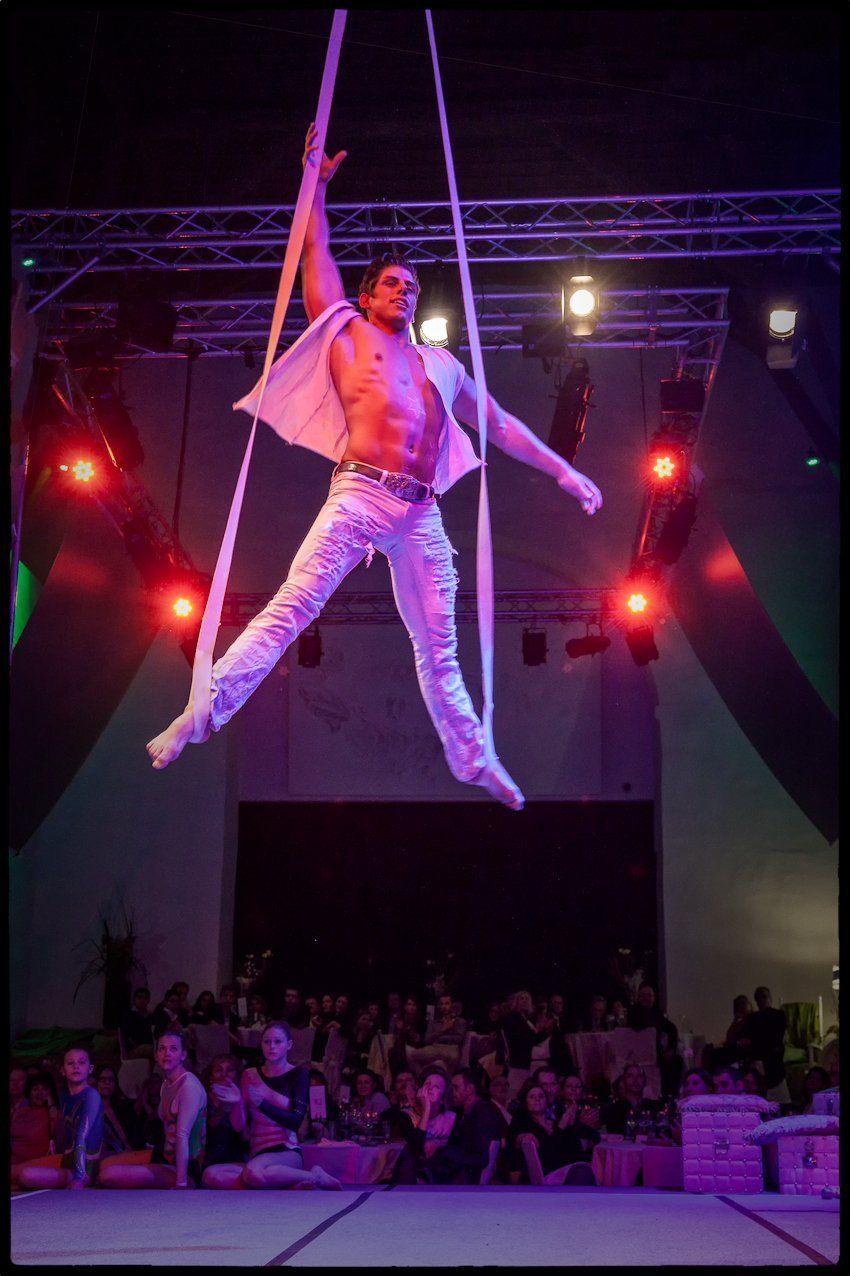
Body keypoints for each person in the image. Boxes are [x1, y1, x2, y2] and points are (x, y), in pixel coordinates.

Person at [146, 122, 603, 812]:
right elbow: (315, 251)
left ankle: (474, 759)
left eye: (411, 286)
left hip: (421, 512)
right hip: (359, 495)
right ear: (366, 296)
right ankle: (199, 714)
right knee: (292, 607)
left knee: (438, 648)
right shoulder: (346, 333)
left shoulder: (440, 365)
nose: (403, 291)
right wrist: (315, 185)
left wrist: (563, 472)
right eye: (391, 283)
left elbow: (500, 423)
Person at [201, 1020, 339, 1190]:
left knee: (252, 1172)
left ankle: (314, 1176)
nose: (271, 1046)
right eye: (267, 1042)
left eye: (277, 1042)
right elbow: (238, 1126)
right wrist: (236, 1103)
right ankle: (286, 1183)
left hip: (286, 1151)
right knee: (210, 1175)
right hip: (257, 1153)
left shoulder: (299, 1074)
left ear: (289, 1045)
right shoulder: (249, 1074)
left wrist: (262, 1103)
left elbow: (295, 1121)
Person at [99, 1027, 206, 1189]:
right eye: (162, 1049)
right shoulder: (166, 1084)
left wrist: (181, 1183)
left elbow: (182, 1135)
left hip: (185, 1166)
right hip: (162, 1155)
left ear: (183, 1055)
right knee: (105, 1164)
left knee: (108, 1175)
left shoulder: (188, 1087)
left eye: (173, 1049)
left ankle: (182, 1180)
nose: (167, 1053)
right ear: (156, 1055)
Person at [18, 1046, 104, 1191]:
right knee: (17, 1171)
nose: (76, 1066)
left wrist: (79, 1178)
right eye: (70, 1063)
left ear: (90, 1068)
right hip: (67, 1160)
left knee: (27, 1175)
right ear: (63, 1070)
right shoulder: (64, 1096)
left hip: (85, 1165)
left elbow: (82, 1135)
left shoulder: (91, 1095)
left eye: (81, 1062)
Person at [424, 1067, 504, 1184]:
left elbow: (482, 1155)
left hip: (471, 1177)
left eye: (456, 1087)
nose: (452, 1093)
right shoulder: (463, 1113)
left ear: (470, 1089)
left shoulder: (483, 1112)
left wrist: (442, 1150)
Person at [509, 1080, 595, 1183]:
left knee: (586, 1166)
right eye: (532, 1097)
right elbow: (548, 1155)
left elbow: (578, 1144)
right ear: (526, 1102)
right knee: (581, 1172)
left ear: (546, 1102)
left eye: (541, 1096)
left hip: (566, 1168)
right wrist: (561, 1127)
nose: (537, 1099)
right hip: (544, 1175)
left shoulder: (554, 1122)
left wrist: (573, 1125)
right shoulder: (525, 1125)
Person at [627, 982, 682, 1098]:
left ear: (653, 998)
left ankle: (670, 1096)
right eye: (643, 995)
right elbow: (637, 1027)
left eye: (649, 995)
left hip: (656, 1052)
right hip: (638, 1053)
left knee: (677, 1061)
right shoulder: (633, 1011)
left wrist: (671, 1048)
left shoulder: (656, 1012)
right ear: (638, 997)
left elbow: (672, 1029)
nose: (646, 998)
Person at [11, 1071, 60, 1183]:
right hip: (14, 1164)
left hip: (37, 1168)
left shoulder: (55, 1113)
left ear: (51, 1092)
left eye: (44, 1089)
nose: (39, 1093)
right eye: (35, 1089)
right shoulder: (19, 1112)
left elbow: (58, 1140)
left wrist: (51, 1105)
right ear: (29, 1092)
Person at [203, 1055, 248, 1167]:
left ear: (237, 1076)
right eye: (218, 1070)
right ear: (211, 1077)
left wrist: (237, 1104)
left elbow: (247, 1138)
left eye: (230, 1070)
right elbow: (202, 1135)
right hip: (208, 1161)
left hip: (238, 1161)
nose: (224, 1074)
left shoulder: (244, 1099)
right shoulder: (202, 1099)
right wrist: (221, 1110)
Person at [739, 987, 787, 1090]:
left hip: (771, 1052)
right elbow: (743, 1037)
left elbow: (776, 1036)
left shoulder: (779, 1015)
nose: (761, 1000)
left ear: (770, 998)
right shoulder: (751, 1018)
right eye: (758, 998)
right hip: (756, 1052)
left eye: (764, 997)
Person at [601, 1064, 660, 1134]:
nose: (635, 1080)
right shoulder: (612, 1109)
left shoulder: (655, 1108)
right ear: (624, 1080)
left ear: (645, 1081)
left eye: (639, 1076)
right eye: (630, 1076)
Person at [95, 1064, 139, 1155]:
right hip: (110, 1157)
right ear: (96, 1083)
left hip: (134, 1153)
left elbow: (137, 1134)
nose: (107, 1083)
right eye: (103, 1079)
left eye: (111, 1079)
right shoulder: (92, 1112)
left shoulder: (125, 1107)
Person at [119, 986, 155, 1058]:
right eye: (139, 998)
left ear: (148, 1000)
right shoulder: (128, 1016)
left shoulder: (151, 1016)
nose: (142, 1000)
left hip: (149, 1045)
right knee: (154, 1050)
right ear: (134, 999)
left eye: (145, 998)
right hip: (134, 1049)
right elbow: (127, 1036)